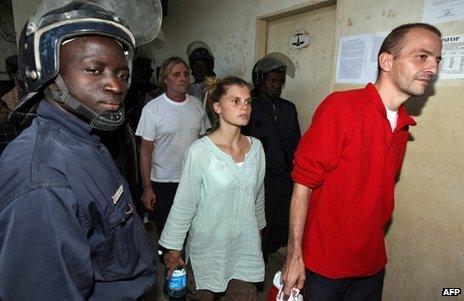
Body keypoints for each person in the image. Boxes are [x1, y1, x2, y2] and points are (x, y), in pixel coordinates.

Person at [0, 0, 162, 299]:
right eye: (93, 70)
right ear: (48, 72)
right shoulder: (43, 182)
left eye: (122, 74)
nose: (115, 85)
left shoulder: (87, 139)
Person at [282, 23, 442, 300]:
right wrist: (294, 255)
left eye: (437, 59)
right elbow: (303, 183)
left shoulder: (403, 125)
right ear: (386, 61)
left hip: (371, 264)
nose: (433, 68)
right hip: (324, 265)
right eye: (422, 56)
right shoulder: (340, 108)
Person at [159, 76, 266, 300]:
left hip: (244, 247)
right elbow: (184, 204)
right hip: (208, 249)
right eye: (235, 101)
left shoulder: (257, 149)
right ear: (217, 107)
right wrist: (174, 249)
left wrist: (257, 237)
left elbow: (258, 198)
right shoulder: (200, 152)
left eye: (247, 101)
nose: (244, 107)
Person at [136, 56, 209, 235]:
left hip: (191, 179)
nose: (183, 78)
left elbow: (203, 145)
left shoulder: (197, 105)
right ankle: (169, 260)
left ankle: (181, 260)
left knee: (191, 229)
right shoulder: (153, 109)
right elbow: (145, 151)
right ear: (165, 79)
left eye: (186, 74)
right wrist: (147, 188)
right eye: (176, 74)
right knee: (167, 231)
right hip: (163, 182)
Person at [244, 53, 301, 260]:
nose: (277, 85)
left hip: (284, 177)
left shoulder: (288, 108)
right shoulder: (249, 107)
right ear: (260, 80)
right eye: (272, 81)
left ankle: (269, 249)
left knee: (282, 221)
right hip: (260, 178)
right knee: (260, 222)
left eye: (280, 82)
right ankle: (255, 261)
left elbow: (296, 143)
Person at [186, 41, 216, 124]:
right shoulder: (186, 89)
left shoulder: (215, 88)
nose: (199, 69)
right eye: (196, 65)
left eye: (203, 65)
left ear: (209, 67)